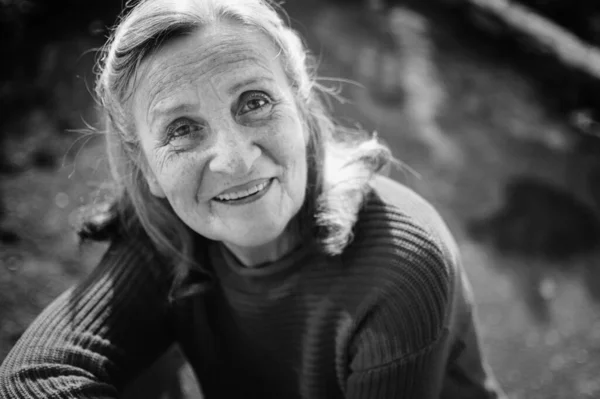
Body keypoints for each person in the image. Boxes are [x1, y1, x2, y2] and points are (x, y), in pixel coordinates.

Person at [0, 0, 505, 397]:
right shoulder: (165, 237)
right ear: (148, 170)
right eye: (182, 130)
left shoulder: (401, 259)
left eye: (255, 102)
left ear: (302, 110)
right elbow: (33, 377)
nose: (235, 160)